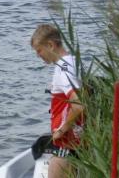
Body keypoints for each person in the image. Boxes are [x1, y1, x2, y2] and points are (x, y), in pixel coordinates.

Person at [30, 24, 84, 178]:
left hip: (67, 143)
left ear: (50, 45)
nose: (38, 55)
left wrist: (61, 130)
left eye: (39, 50)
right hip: (77, 140)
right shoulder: (72, 62)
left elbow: (78, 104)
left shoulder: (63, 68)